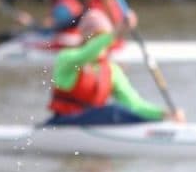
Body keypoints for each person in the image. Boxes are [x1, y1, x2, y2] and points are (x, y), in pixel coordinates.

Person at [46, 9, 184, 125]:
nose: (104, 43)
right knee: (113, 111)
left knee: (122, 111)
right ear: (85, 37)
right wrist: (116, 32)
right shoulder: (67, 57)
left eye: (104, 37)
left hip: (93, 124)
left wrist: (162, 114)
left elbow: (134, 104)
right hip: (63, 122)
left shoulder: (112, 70)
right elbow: (87, 54)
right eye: (97, 37)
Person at [14, 0, 84, 48]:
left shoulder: (61, 8)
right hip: (74, 38)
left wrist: (29, 22)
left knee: (24, 41)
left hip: (68, 40)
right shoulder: (70, 0)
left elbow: (47, 30)